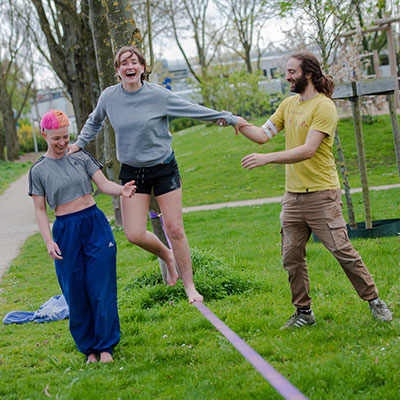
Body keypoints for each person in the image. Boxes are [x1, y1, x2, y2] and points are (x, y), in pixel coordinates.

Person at [67, 46, 239, 303]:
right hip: (133, 172)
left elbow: (190, 108)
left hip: (163, 168)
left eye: (134, 62)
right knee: (133, 233)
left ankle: (190, 286)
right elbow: (94, 121)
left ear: (143, 68)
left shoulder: (159, 95)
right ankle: (167, 255)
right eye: (124, 63)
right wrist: (78, 144)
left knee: (175, 228)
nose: (129, 66)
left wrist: (225, 117)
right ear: (117, 71)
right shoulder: (109, 97)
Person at [235, 52, 392, 329]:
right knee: (291, 256)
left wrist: (268, 159)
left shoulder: (324, 107)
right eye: (286, 71)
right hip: (292, 197)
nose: (287, 76)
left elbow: (308, 150)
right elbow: (263, 135)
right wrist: (238, 121)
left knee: (342, 250)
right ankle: (304, 313)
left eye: (291, 71)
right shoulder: (288, 105)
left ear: (308, 73)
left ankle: (374, 300)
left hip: (322, 194)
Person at [29, 110, 136, 363]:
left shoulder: (81, 156)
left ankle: (106, 348)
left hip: (94, 224)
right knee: (75, 291)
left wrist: (121, 189)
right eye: (56, 138)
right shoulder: (38, 170)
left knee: (101, 286)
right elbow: (40, 210)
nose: (63, 143)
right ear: (44, 135)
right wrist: (48, 241)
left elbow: (103, 184)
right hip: (65, 230)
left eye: (66, 137)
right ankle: (89, 350)